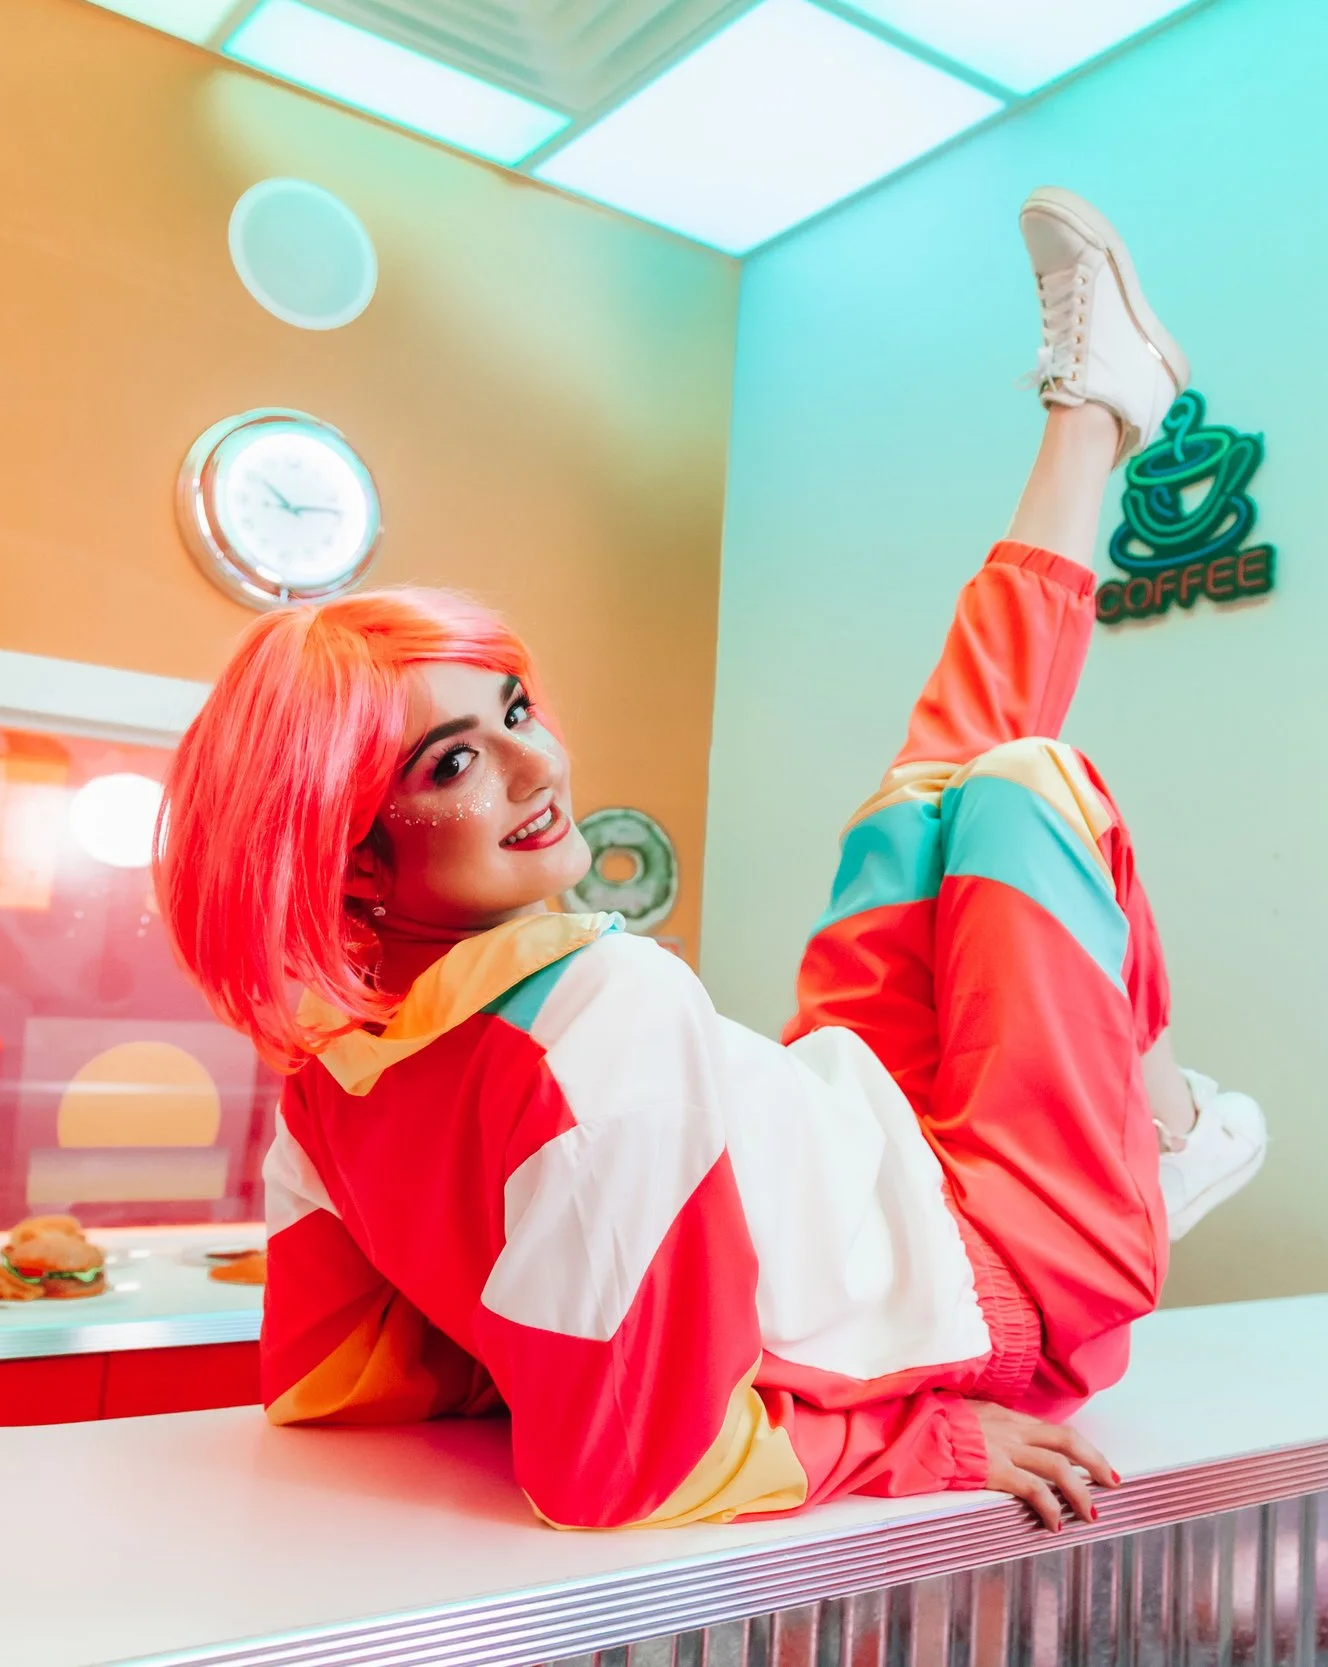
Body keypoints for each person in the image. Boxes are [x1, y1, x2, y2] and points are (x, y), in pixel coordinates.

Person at [159, 189, 1270, 1534]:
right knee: (1030, 789)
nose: (535, 766)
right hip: (1011, 1281)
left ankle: (1094, 405)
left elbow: (343, 1380)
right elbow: (625, 1466)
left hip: (867, 1138)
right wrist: (918, 1443)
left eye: (514, 711)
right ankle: (1159, 1142)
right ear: (355, 873)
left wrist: (565, 1330)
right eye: (451, 763)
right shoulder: (589, 1019)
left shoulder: (328, 1089)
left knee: (927, 790)